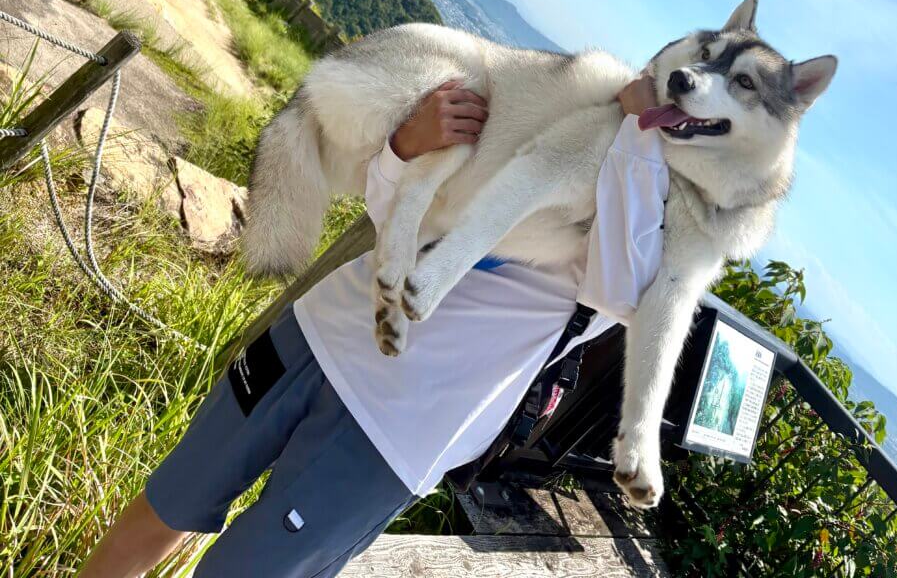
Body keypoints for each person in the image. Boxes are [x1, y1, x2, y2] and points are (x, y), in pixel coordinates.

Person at [78, 75, 663, 578]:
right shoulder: (541, 114)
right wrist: (405, 147)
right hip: (310, 335)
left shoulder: (653, 216)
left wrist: (640, 133)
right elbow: (392, 220)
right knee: (170, 499)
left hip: (389, 437)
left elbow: (620, 293)